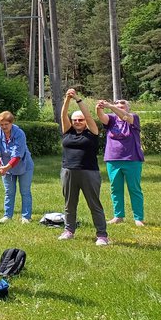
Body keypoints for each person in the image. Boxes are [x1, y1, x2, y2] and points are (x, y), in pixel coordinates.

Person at [59, 89, 109, 245]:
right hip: (68, 171)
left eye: (80, 120)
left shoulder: (92, 132)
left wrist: (77, 99)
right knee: (69, 204)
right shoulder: (68, 131)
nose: (77, 122)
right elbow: (63, 115)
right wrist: (67, 99)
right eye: (75, 120)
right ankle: (69, 230)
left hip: (89, 172)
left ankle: (102, 235)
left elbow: (88, 115)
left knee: (94, 204)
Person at [96, 98, 145, 226]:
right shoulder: (111, 119)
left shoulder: (133, 117)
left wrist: (111, 106)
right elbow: (101, 117)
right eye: (117, 106)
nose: (118, 108)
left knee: (134, 189)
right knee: (115, 188)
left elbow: (125, 116)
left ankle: (138, 218)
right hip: (113, 159)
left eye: (122, 106)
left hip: (132, 159)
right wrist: (99, 108)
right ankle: (118, 216)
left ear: (128, 109)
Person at [0, 111, 35, 224]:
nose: (4, 127)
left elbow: (17, 153)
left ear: (11, 123)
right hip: (5, 165)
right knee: (9, 192)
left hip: (23, 165)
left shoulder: (19, 133)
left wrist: (6, 167)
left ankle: (26, 217)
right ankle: (7, 216)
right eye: (1, 124)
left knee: (25, 191)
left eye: (6, 124)